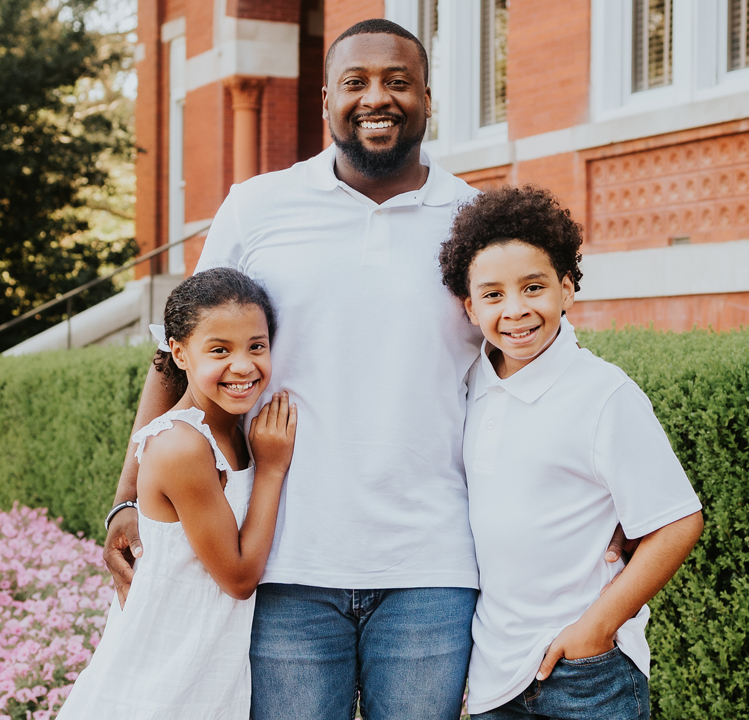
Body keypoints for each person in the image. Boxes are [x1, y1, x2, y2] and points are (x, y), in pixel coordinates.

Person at [102, 18, 637, 719]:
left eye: (397, 82)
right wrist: (128, 495)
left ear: (427, 99)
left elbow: (536, 369)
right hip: (284, 564)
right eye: (355, 83)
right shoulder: (258, 207)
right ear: (326, 99)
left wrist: (610, 495)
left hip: (434, 568)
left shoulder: (472, 218)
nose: (376, 98)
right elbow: (181, 351)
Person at [437, 185, 705, 720]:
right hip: (497, 676)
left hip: (586, 674)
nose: (515, 310)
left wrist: (596, 628)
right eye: (492, 295)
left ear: (567, 289)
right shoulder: (470, 386)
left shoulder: (604, 394)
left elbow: (678, 521)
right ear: (469, 307)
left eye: (533, 287)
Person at [57, 268, 296, 719]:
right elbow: (240, 578)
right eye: (219, 350)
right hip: (162, 675)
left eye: (256, 346)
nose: (243, 365)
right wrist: (271, 469)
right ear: (180, 352)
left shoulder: (233, 426)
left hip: (204, 665)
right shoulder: (182, 446)